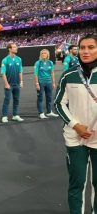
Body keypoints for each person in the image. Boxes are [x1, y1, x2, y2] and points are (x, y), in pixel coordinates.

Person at [54, 34, 97, 214]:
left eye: (91, 47)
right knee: (77, 183)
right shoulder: (69, 75)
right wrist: (75, 125)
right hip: (75, 138)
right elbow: (58, 103)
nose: (85, 51)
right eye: (82, 47)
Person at [1, 42, 24, 123]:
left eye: (16, 47)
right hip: (9, 84)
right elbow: (3, 73)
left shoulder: (19, 59)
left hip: (17, 84)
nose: (16, 48)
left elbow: (20, 71)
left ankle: (15, 115)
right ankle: (4, 116)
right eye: (14, 47)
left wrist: (21, 81)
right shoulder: (5, 60)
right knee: (7, 100)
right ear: (9, 49)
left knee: (16, 100)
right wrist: (6, 84)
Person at [33, 49, 59, 119]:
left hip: (49, 82)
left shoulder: (50, 62)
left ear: (48, 54)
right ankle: (41, 113)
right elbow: (35, 74)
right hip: (41, 82)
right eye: (42, 53)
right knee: (40, 98)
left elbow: (52, 73)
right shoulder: (38, 63)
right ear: (40, 55)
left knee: (49, 97)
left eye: (45, 53)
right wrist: (37, 83)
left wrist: (53, 83)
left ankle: (49, 112)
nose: (44, 54)